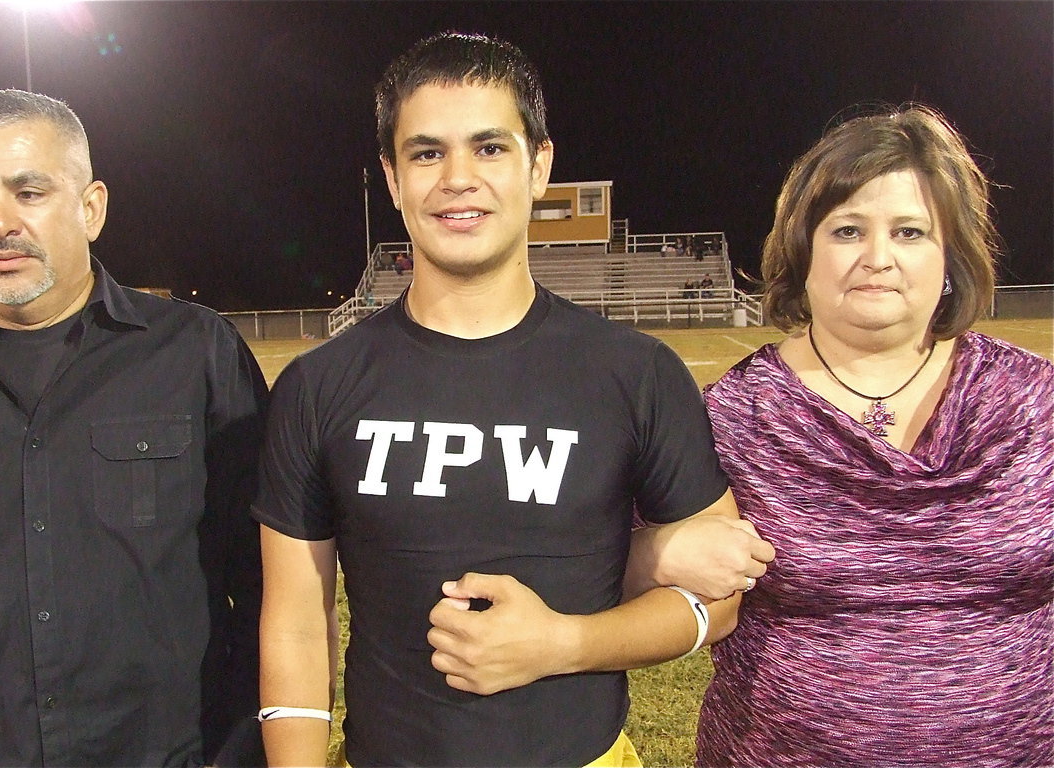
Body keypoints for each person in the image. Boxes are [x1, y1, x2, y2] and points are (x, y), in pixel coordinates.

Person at [254, 33, 773, 767]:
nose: (458, 178)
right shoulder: (318, 386)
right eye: (427, 152)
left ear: (540, 165)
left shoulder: (637, 373)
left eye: (490, 148)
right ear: (393, 179)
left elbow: (718, 599)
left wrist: (564, 643)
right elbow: (298, 624)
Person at [0, 90, 269, 766]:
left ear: (91, 207)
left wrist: (240, 748)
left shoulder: (197, 354)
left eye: (29, 191)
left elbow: (266, 580)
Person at [696, 105, 1053, 766]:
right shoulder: (732, 417)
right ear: (803, 248)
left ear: (951, 254)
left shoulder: (1036, 402)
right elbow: (607, 560)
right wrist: (656, 550)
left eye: (911, 231)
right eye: (849, 230)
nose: (878, 258)